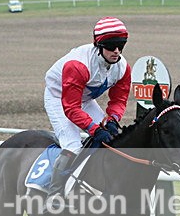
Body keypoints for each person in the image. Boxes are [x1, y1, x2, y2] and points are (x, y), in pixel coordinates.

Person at [43, 16, 132, 194]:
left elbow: (119, 100)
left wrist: (113, 119)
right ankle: (55, 193)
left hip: (84, 99)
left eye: (120, 46)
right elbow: (71, 108)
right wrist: (94, 129)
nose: (116, 51)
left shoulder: (123, 68)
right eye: (111, 46)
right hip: (59, 98)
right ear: (98, 45)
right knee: (73, 146)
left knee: (114, 139)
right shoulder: (78, 66)